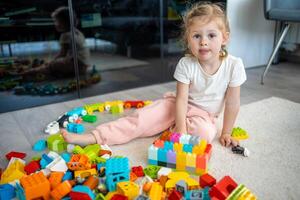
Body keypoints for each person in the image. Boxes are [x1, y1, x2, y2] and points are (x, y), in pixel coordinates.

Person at [62, 2, 246, 147]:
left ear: (225, 38)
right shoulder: (186, 64)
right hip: (177, 104)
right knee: (141, 120)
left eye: (211, 36)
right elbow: (181, 100)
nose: (204, 42)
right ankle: (94, 137)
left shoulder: (234, 66)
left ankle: (169, 126)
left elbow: (232, 103)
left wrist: (226, 132)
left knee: (205, 134)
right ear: (188, 39)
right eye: (197, 36)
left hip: (205, 115)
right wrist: (181, 129)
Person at [17, 6, 90, 78]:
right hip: (83, 66)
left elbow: (62, 54)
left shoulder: (66, 35)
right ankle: (62, 73)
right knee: (57, 64)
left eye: (57, 21)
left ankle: (27, 72)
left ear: (65, 22)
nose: (55, 24)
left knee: (51, 65)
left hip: (75, 65)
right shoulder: (77, 32)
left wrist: (52, 61)